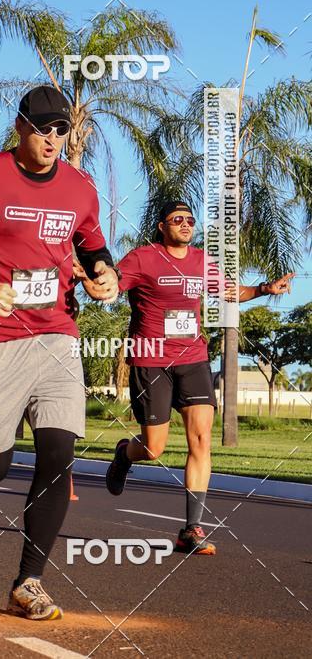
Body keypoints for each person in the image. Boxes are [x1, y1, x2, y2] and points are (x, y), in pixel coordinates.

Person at [0, 85, 119, 621]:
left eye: (63, 130)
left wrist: (106, 273)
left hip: (57, 335)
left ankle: (27, 581)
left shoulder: (80, 186)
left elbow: (93, 243)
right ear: (20, 127)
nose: (53, 138)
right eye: (43, 129)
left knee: (58, 455)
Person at [101, 200, 294, 555]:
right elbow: (113, 286)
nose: (186, 224)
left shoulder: (203, 261)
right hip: (151, 359)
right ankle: (125, 455)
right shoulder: (143, 258)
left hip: (193, 357)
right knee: (154, 447)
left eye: (190, 219)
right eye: (178, 219)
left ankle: (191, 528)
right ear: (162, 226)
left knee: (201, 440)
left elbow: (231, 291)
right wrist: (96, 281)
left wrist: (266, 289)